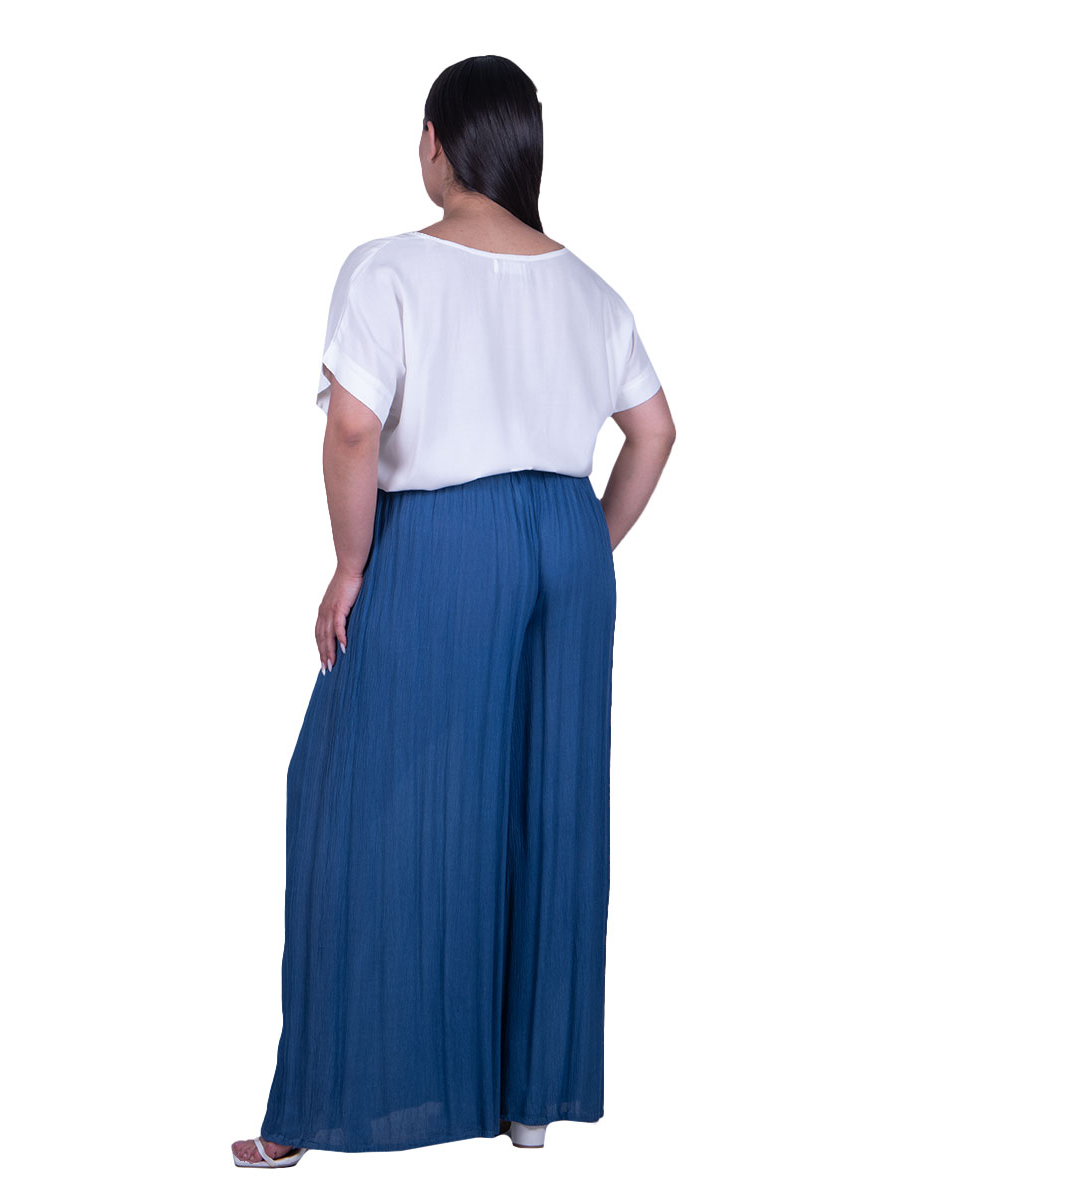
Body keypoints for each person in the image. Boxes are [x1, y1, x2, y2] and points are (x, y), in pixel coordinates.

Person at [231, 54, 676, 1166]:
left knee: (351, 805)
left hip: (441, 539)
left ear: (437, 142)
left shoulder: (390, 267)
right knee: (545, 801)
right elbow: (656, 430)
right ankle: (528, 1101)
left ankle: (315, 1112)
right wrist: (583, 545)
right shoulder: (589, 286)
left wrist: (350, 564)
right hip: (566, 539)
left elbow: (352, 427)